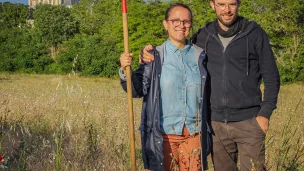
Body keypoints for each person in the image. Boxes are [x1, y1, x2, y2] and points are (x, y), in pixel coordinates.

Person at [141, 0, 280, 170]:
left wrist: (264, 115)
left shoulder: (254, 33)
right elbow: (179, 53)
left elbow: (272, 77)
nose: (226, 10)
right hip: (216, 126)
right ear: (212, 5)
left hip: (249, 122)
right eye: (221, 4)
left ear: (239, 4)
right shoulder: (202, 36)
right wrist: (146, 55)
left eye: (232, 4)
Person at [119, 3, 211, 171]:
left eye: (186, 21)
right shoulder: (154, 56)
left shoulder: (201, 56)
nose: (181, 25)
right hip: (164, 136)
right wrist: (126, 70)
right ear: (165, 24)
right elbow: (137, 89)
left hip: (194, 135)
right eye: (175, 20)